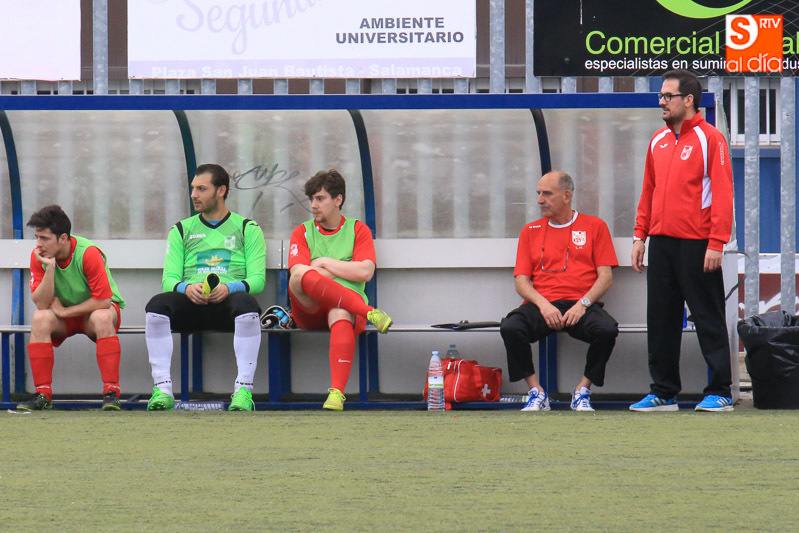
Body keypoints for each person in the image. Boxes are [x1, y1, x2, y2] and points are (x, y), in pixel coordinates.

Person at [630, 70, 734, 413]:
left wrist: (716, 242)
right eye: (660, 96)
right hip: (661, 243)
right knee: (661, 320)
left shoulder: (711, 139)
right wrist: (640, 236)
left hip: (697, 244)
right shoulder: (658, 140)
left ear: (688, 100)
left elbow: (723, 193)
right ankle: (663, 392)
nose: (661, 102)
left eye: (667, 96)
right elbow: (648, 191)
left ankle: (720, 391)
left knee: (707, 317)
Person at [144, 163, 266, 412]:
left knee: (247, 304)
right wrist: (186, 288)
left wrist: (229, 288)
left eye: (201, 189)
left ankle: (243, 391)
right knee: (156, 305)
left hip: (228, 307)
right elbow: (169, 279)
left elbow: (257, 280)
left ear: (221, 191)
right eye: (193, 189)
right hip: (191, 306)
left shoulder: (247, 228)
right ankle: (162, 390)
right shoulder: (181, 229)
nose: (194, 195)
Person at [500, 171, 619, 412]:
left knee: (607, 329)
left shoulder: (595, 226)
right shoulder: (530, 231)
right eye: (538, 194)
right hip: (543, 305)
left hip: (580, 305)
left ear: (566, 196)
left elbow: (606, 278)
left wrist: (582, 304)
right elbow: (521, 282)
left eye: (547, 194)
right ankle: (536, 392)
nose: (539, 200)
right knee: (511, 327)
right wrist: (543, 305)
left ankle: (582, 390)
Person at [288, 169, 393, 411]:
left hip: (345, 309)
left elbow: (365, 272)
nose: (313, 205)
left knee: (340, 310)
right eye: (311, 199)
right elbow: (299, 272)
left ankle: (336, 393)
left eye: (320, 199)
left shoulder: (358, 229)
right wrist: (346, 267)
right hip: (310, 307)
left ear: (338, 200)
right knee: (299, 276)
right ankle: (369, 312)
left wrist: (324, 262)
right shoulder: (302, 231)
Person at [18, 205, 126, 411]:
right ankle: (42, 395)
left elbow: (103, 301)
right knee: (40, 318)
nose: (39, 244)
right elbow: (41, 304)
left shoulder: (88, 253)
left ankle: (111, 393)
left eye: (45, 238)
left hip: (93, 314)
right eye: (37, 238)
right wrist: (50, 268)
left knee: (103, 317)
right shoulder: (39, 256)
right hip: (64, 317)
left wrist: (65, 311)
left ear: (63, 238)